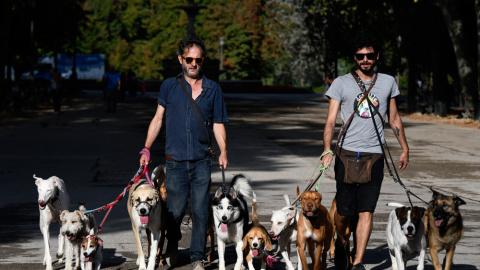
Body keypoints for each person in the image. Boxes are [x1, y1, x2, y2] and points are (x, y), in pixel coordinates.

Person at [139, 35, 229, 270]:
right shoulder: (169, 86)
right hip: (175, 161)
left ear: (202, 61)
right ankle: (173, 242)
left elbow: (218, 123)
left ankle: (196, 256)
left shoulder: (213, 89)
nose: (193, 63)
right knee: (174, 211)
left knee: (200, 210)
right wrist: (146, 148)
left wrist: (223, 151)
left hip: (201, 160)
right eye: (189, 59)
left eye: (198, 60)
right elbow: (158, 120)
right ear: (181, 59)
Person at [320, 33, 409, 270]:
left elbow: (394, 117)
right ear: (355, 58)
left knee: (366, 210)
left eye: (370, 55)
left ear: (376, 56)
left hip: (375, 155)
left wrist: (405, 148)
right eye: (361, 56)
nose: (365, 60)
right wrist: (327, 150)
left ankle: (358, 261)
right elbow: (330, 121)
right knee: (343, 212)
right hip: (346, 154)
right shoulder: (340, 83)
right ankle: (340, 244)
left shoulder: (388, 81)